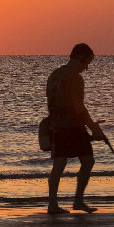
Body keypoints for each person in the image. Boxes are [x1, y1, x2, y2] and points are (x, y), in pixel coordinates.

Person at [46, 43, 106, 214]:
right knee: (88, 161)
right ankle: (78, 201)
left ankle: (52, 204)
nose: (86, 68)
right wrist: (94, 128)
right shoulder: (75, 77)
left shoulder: (55, 74)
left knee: (59, 164)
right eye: (87, 63)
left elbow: (50, 102)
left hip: (57, 124)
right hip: (72, 125)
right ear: (81, 58)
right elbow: (79, 106)